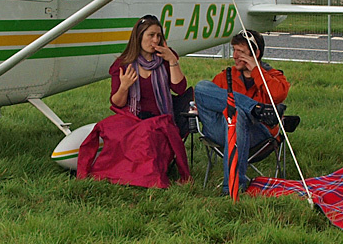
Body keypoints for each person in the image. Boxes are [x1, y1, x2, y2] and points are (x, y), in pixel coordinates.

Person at [77, 14, 191, 188]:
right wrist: (124, 87)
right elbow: (117, 103)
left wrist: (173, 61)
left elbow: (179, 89)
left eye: (158, 36)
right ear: (139, 37)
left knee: (146, 135)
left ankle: (142, 177)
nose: (155, 40)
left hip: (160, 119)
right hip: (132, 117)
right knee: (107, 128)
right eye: (151, 35)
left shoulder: (166, 59)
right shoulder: (123, 64)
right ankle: (115, 173)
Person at [193, 30, 290, 197]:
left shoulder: (273, 75)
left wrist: (256, 70)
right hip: (221, 129)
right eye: (234, 50)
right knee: (202, 87)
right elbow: (205, 97)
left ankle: (231, 187)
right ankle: (256, 109)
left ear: (256, 53)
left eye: (241, 52)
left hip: (257, 133)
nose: (235, 56)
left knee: (238, 116)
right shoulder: (226, 76)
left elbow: (278, 95)